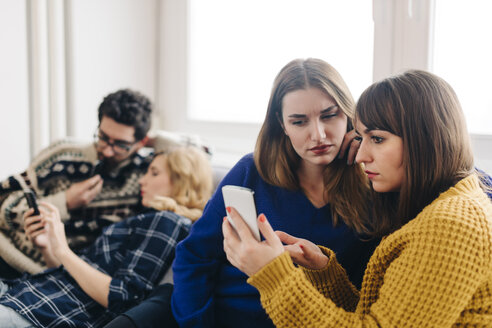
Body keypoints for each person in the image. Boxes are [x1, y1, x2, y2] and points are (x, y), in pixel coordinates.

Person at [223, 70, 492, 327]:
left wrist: (273, 277)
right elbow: (374, 318)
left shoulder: (450, 226)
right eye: (362, 138)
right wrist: (324, 272)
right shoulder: (445, 207)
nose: (361, 156)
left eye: (377, 138)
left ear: (426, 139)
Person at [171, 58, 379, 327]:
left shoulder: (373, 183)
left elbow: (364, 293)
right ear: (282, 125)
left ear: (349, 115)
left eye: (329, 115)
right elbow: (193, 257)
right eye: (299, 122)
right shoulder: (251, 171)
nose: (318, 135)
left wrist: (368, 147)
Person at [0, 89, 209, 277]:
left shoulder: (146, 173)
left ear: (142, 142)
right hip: (6, 252)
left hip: (53, 274)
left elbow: (201, 153)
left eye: (120, 144)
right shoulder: (64, 153)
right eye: (103, 137)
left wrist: (153, 140)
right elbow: (4, 200)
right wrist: (65, 202)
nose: (108, 150)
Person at [0, 146, 213, 327]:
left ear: (182, 180)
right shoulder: (148, 218)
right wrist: (48, 247)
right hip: (26, 294)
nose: (142, 180)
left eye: (154, 173)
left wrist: (63, 250)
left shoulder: (168, 221)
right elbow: (74, 278)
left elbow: (123, 297)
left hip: (41, 313)